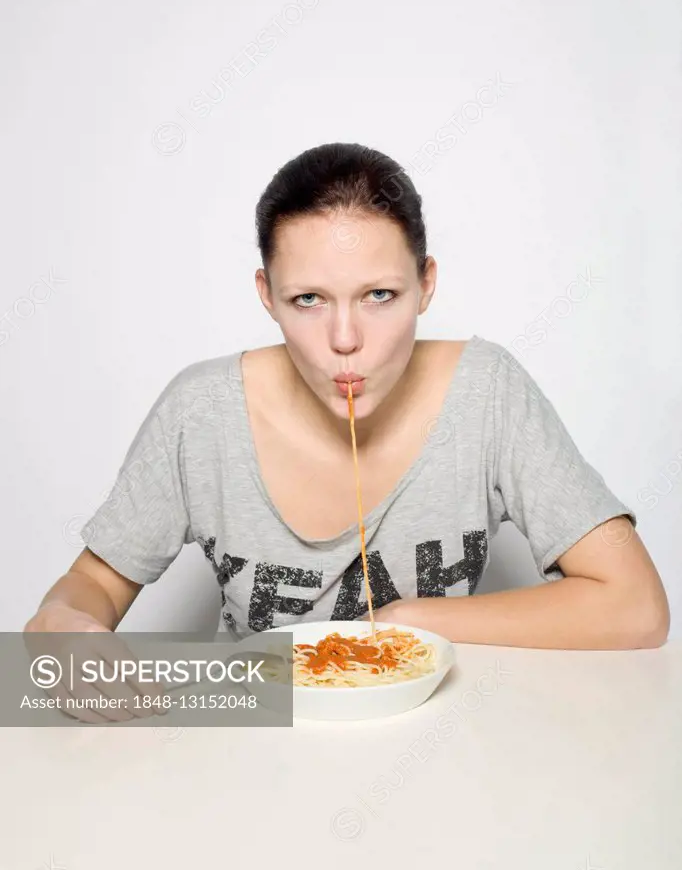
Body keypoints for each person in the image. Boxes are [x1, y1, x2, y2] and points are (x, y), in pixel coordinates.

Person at [25, 142, 669, 653]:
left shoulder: (488, 393)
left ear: (427, 284)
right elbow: (93, 585)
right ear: (266, 295)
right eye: (308, 299)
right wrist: (63, 626)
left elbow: (636, 605)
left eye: (379, 296)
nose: (345, 340)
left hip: (449, 749)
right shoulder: (202, 413)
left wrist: (412, 619)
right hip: (252, 750)